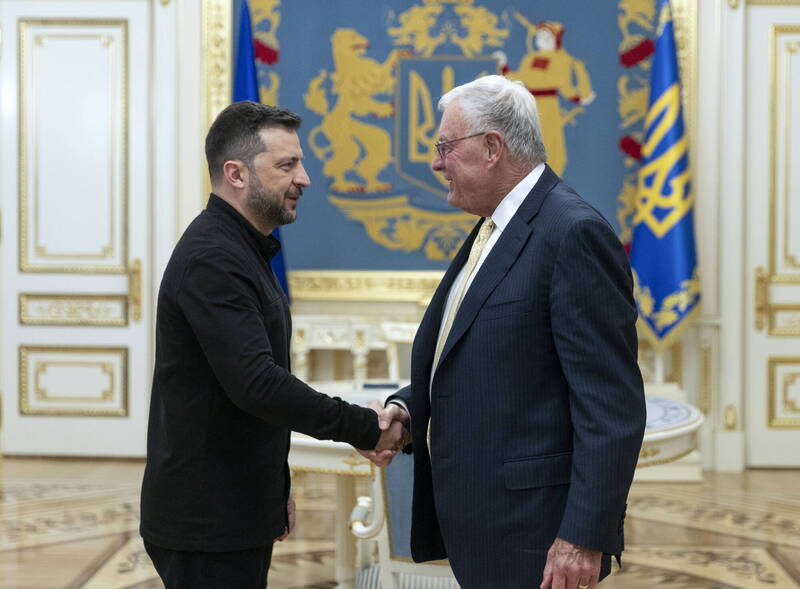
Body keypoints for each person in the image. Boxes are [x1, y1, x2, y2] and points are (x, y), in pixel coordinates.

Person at [362, 76, 646, 589]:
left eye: (445, 147)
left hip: (536, 536)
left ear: (492, 147)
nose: (436, 163)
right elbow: (485, 359)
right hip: (485, 524)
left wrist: (583, 536)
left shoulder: (572, 232)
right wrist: (407, 409)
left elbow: (610, 405)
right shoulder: (494, 226)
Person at [140, 101, 406, 589]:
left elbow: (246, 394)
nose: (304, 178)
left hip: (233, 505)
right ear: (236, 174)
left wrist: (271, 487)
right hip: (206, 519)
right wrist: (365, 427)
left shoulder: (242, 248)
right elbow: (258, 384)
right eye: (287, 165)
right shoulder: (213, 258)